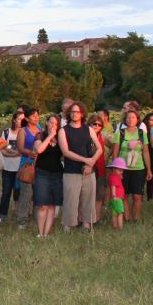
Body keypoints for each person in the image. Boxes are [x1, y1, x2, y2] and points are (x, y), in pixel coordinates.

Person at [59, 101, 102, 233]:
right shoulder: (63, 130)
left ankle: (86, 225)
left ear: (82, 113)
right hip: (71, 170)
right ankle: (68, 225)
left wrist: (91, 163)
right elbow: (66, 152)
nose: (74, 114)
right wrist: (86, 160)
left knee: (88, 198)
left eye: (77, 112)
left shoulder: (88, 129)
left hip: (89, 171)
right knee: (70, 199)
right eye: (72, 112)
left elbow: (99, 149)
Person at [113, 110, 152, 222]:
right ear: (125, 120)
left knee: (137, 196)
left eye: (133, 117)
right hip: (123, 169)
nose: (130, 120)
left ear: (137, 120)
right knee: (124, 195)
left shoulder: (141, 133)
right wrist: (116, 168)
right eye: (128, 118)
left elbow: (145, 152)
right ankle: (127, 218)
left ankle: (136, 218)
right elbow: (115, 152)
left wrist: (149, 169)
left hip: (138, 168)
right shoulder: (119, 133)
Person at [32, 114, 63, 237]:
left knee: (52, 205)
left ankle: (46, 233)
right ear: (46, 123)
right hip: (42, 174)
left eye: (56, 124)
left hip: (57, 174)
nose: (53, 126)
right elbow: (39, 150)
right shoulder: (40, 135)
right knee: (42, 205)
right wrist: (50, 136)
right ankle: (40, 232)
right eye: (51, 122)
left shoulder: (60, 138)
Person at [15, 107, 42, 229]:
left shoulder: (40, 128)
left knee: (38, 192)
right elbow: (20, 148)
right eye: (33, 115)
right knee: (26, 193)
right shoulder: (23, 131)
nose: (36, 117)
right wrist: (30, 152)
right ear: (26, 118)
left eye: (37, 115)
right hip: (27, 164)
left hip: (40, 164)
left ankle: (37, 216)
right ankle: (22, 219)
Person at [0, 111, 23, 224]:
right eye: (19, 119)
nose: (21, 121)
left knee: (19, 193)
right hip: (7, 168)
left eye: (23, 119)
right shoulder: (6, 132)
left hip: (21, 168)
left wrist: (16, 153)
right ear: (14, 120)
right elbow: (1, 149)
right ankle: (2, 215)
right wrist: (13, 154)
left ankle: (20, 215)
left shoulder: (25, 133)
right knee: (6, 192)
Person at [88, 115, 107, 223]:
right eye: (94, 123)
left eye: (99, 124)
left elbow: (113, 145)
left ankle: (96, 219)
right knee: (86, 196)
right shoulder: (85, 136)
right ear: (89, 124)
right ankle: (85, 218)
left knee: (99, 196)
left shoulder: (102, 137)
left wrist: (107, 156)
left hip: (100, 170)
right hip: (88, 169)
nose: (96, 126)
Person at [107, 157, 126, 230]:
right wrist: (114, 195)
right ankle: (120, 228)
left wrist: (119, 175)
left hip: (114, 198)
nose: (121, 172)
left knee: (114, 213)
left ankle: (115, 227)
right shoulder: (115, 177)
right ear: (114, 169)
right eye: (119, 170)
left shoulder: (113, 176)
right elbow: (113, 186)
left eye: (122, 170)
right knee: (120, 213)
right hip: (117, 198)